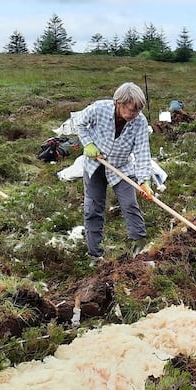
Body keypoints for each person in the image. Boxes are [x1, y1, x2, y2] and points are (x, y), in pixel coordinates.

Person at [75, 82, 154, 261]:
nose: (135, 115)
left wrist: (144, 181)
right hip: (94, 166)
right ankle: (95, 253)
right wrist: (88, 143)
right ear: (119, 103)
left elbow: (142, 151)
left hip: (121, 167)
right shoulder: (99, 109)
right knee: (93, 208)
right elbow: (78, 122)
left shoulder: (140, 122)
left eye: (138, 111)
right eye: (132, 110)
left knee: (129, 204)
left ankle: (139, 246)